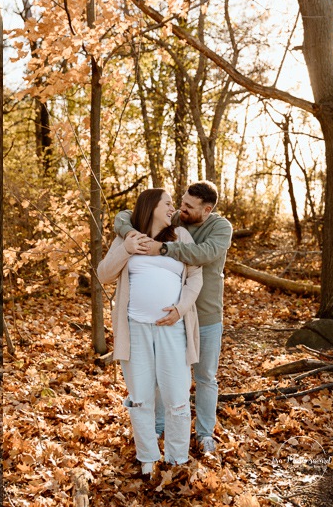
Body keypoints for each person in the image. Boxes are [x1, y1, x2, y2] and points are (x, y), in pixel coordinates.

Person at [114, 180, 232, 454]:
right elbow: (122, 216)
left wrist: (163, 249)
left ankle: (203, 435)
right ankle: (157, 427)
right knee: (158, 375)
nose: (181, 210)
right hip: (170, 320)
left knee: (205, 378)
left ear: (207, 210)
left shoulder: (220, 227)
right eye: (180, 203)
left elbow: (204, 254)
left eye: (189, 206)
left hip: (205, 315)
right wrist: (133, 235)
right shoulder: (175, 218)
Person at [99, 188, 203, 476]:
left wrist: (180, 309)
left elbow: (195, 276)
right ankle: (147, 459)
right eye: (168, 203)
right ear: (151, 206)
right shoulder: (127, 237)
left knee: (177, 395)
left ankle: (177, 459)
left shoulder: (181, 237)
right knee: (141, 396)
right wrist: (126, 250)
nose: (173, 208)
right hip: (135, 331)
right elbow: (103, 274)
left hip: (172, 329)